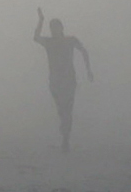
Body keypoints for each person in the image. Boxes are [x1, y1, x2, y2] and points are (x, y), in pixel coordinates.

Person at [33, 8, 92, 151]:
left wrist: (88, 70)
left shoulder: (70, 40)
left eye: (56, 28)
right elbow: (35, 37)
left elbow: (84, 51)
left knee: (68, 109)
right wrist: (41, 20)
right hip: (55, 82)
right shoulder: (49, 42)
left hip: (69, 80)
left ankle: (66, 139)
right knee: (61, 110)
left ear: (61, 28)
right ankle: (64, 131)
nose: (54, 31)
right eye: (52, 28)